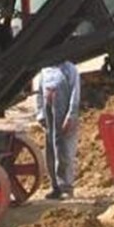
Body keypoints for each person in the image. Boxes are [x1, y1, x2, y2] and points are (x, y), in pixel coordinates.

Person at [33, 60, 81, 199]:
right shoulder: (45, 70)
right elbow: (40, 93)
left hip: (64, 114)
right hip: (49, 115)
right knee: (51, 150)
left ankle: (66, 187)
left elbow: (75, 93)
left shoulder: (70, 69)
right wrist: (40, 113)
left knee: (64, 151)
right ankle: (55, 186)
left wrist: (71, 115)